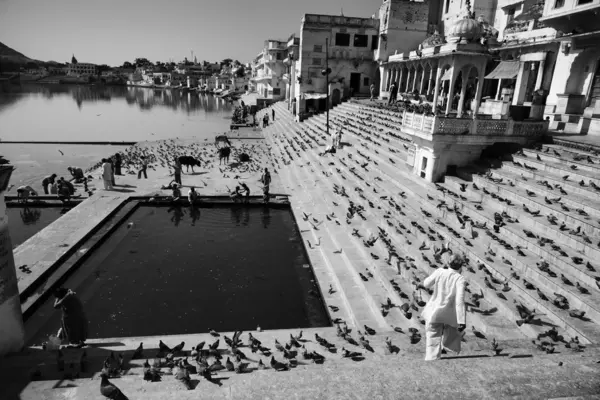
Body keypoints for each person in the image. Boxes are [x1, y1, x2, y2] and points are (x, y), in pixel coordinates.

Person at [415, 254, 466, 361]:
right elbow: (459, 300)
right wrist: (462, 321)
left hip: (435, 311)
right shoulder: (460, 279)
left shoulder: (440, 271)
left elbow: (427, 283)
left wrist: (420, 284)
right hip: (450, 313)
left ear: (448, 263)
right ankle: (447, 344)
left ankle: (432, 358)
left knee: (432, 334)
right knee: (453, 330)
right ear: (461, 266)